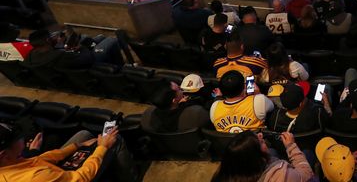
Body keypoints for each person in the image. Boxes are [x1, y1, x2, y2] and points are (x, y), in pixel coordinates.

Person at [0, 122, 134, 182]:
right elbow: (81, 178)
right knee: (115, 141)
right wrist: (102, 148)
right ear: (4, 154)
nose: (23, 139)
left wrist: (77, 145)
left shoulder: (9, 163)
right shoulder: (34, 178)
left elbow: (36, 160)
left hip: (51, 172)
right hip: (72, 178)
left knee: (83, 134)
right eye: (17, 139)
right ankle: (130, 178)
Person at [211, 131, 314, 182]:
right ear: (258, 159)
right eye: (260, 143)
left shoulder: (227, 172)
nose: (260, 135)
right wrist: (291, 146)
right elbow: (307, 175)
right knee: (308, 153)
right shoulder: (281, 175)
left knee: (272, 152)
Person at [24, 29, 125, 70]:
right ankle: (120, 68)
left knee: (100, 37)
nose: (55, 37)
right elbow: (87, 59)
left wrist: (62, 47)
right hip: (91, 60)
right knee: (112, 40)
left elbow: (50, 53)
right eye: (52, 36)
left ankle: (111, 62)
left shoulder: (31, 56)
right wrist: (82, 48)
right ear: (48, 40)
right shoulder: (60, 56)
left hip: (71, 61)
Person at [209, 70, 274, 133]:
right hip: (254, 143)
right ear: (244, 87)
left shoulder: (214, 108)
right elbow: (273, 105)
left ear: (222, 90)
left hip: (226, 144)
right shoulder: (258, 101)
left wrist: (219, 96)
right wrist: (258, 93)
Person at [265, 82, 331, 134]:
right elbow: (330, 124)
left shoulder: (275, 117)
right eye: (304, 97)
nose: (306, 98)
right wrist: (327, 107)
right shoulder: (317, 114)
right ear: (301, 103)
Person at [141, 83, 209, 133]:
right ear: (174, 100)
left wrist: (180, 104)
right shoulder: (196, 114)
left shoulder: (147, 115)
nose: (181, 89)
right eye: (179, 89)